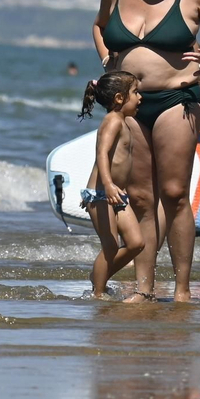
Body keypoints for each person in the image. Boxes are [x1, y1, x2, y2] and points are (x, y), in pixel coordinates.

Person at [91, 0, 200, 301]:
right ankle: (144, 289)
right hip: (129, 106)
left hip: (175, 100)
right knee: (143, 199)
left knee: (175, 193)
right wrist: (107, 61)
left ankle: (182, 289)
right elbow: (99, 25)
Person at [78, 71, 145, 299]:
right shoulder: (112, 121)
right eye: (135, 92)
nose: (139, 97)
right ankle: (98, 292)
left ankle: (99, 275)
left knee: (136, 243)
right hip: (101, 193)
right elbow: (102, 154)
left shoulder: (125, 122)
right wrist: (106, 184)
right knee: (111, 246)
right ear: (119, 98)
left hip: (116, 193)